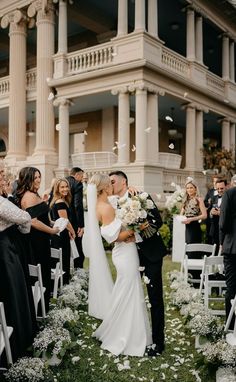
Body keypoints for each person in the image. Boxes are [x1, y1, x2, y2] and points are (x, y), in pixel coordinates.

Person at [89, 173, 151, 356]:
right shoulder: (105, 208)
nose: (111, 186)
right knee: (128, 289)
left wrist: (132, 193)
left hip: (125, 252)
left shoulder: (102, 204)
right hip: (124, 252)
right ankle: (125, 333)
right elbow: (114, 237)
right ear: (103, 187)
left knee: (125, 289)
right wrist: (136, 228)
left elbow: (123, 200)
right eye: (109, 183)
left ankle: (120, 326)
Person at [109, 170, 166, 356]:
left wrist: (137, 235)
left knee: (155, 297)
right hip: (130, 255)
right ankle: (132, 335)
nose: (110, 185)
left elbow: (158, 221)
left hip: (151, 253)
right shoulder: (113, 203)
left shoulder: (140, 196)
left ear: (123, 181)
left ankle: (158, 342)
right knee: (132, 295)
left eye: (113, 181)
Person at [0, 167, 35, 361]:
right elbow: (25, 217)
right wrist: (24, 231)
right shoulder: (0, 202)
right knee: (12, 293)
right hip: (5, 253)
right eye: (0, 174)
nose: (2, 178)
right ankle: (15, 341)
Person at [15, 167, 59, 312]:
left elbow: (41, 217)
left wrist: (51, 223)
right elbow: (33, 222)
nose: (39, 180)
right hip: (36, 242)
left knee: (45, 272)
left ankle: (44, 307)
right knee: (42, 273)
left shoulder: (35, 194)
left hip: (42, 240)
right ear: (27, 179)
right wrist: (52, 230)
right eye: (35, 178)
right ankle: (40, 310)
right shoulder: (29, 196)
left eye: (39, 176)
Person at [50, 178, 76, 284]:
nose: (65, 189)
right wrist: (73, 232)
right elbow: (65, 221)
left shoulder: (57, 200)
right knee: (63, 260)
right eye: (62, 187)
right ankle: (63, 285)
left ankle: (61, 285)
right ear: (57, 188)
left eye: (66, 186)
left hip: (59, 234)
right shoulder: (60, 202)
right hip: (61, 236)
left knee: (61, 260)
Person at [219, 186, 236, 329]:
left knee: (231, 288)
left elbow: (223, 223)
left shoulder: (230, 193)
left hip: (232, 247)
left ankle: (230, 326)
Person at [66, 167, 85, 268]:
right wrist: (81, 225)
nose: (81, 179)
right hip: (73, 222)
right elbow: (78, 205)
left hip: (61, 221)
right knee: (77, 248)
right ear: (76, 175)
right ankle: (79, 272)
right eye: (81, 176)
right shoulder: (77, 184)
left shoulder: (61, 182)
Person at [180, 177, 207, 244]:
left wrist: (191, 219)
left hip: (194, 227)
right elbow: (181, 215)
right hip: (185, 227)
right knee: (185, 248)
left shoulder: (199, 200)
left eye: (191, 187)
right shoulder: (185, 200)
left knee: (193, 249)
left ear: (195, 188)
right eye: (187, 188)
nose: (189, 190)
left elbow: (204, 215)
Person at [208, 179, 227, 254]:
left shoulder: (231, 198)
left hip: (225, 230)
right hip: (214, 229)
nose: (219, 190)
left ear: (226, 186)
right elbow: (209, 213)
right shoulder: (213, 198)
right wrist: (211, 213)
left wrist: (220, 213)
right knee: (214, 251)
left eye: (221, 188)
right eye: (217, 188)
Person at [204, 175, 219, 243]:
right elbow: (205, 202)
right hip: (209, 218)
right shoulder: (210, 191)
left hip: (218, 217)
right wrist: (208, 202)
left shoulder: (222, 191)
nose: (215, 183)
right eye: (214, 181)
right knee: (208, 235)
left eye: (217, 181)